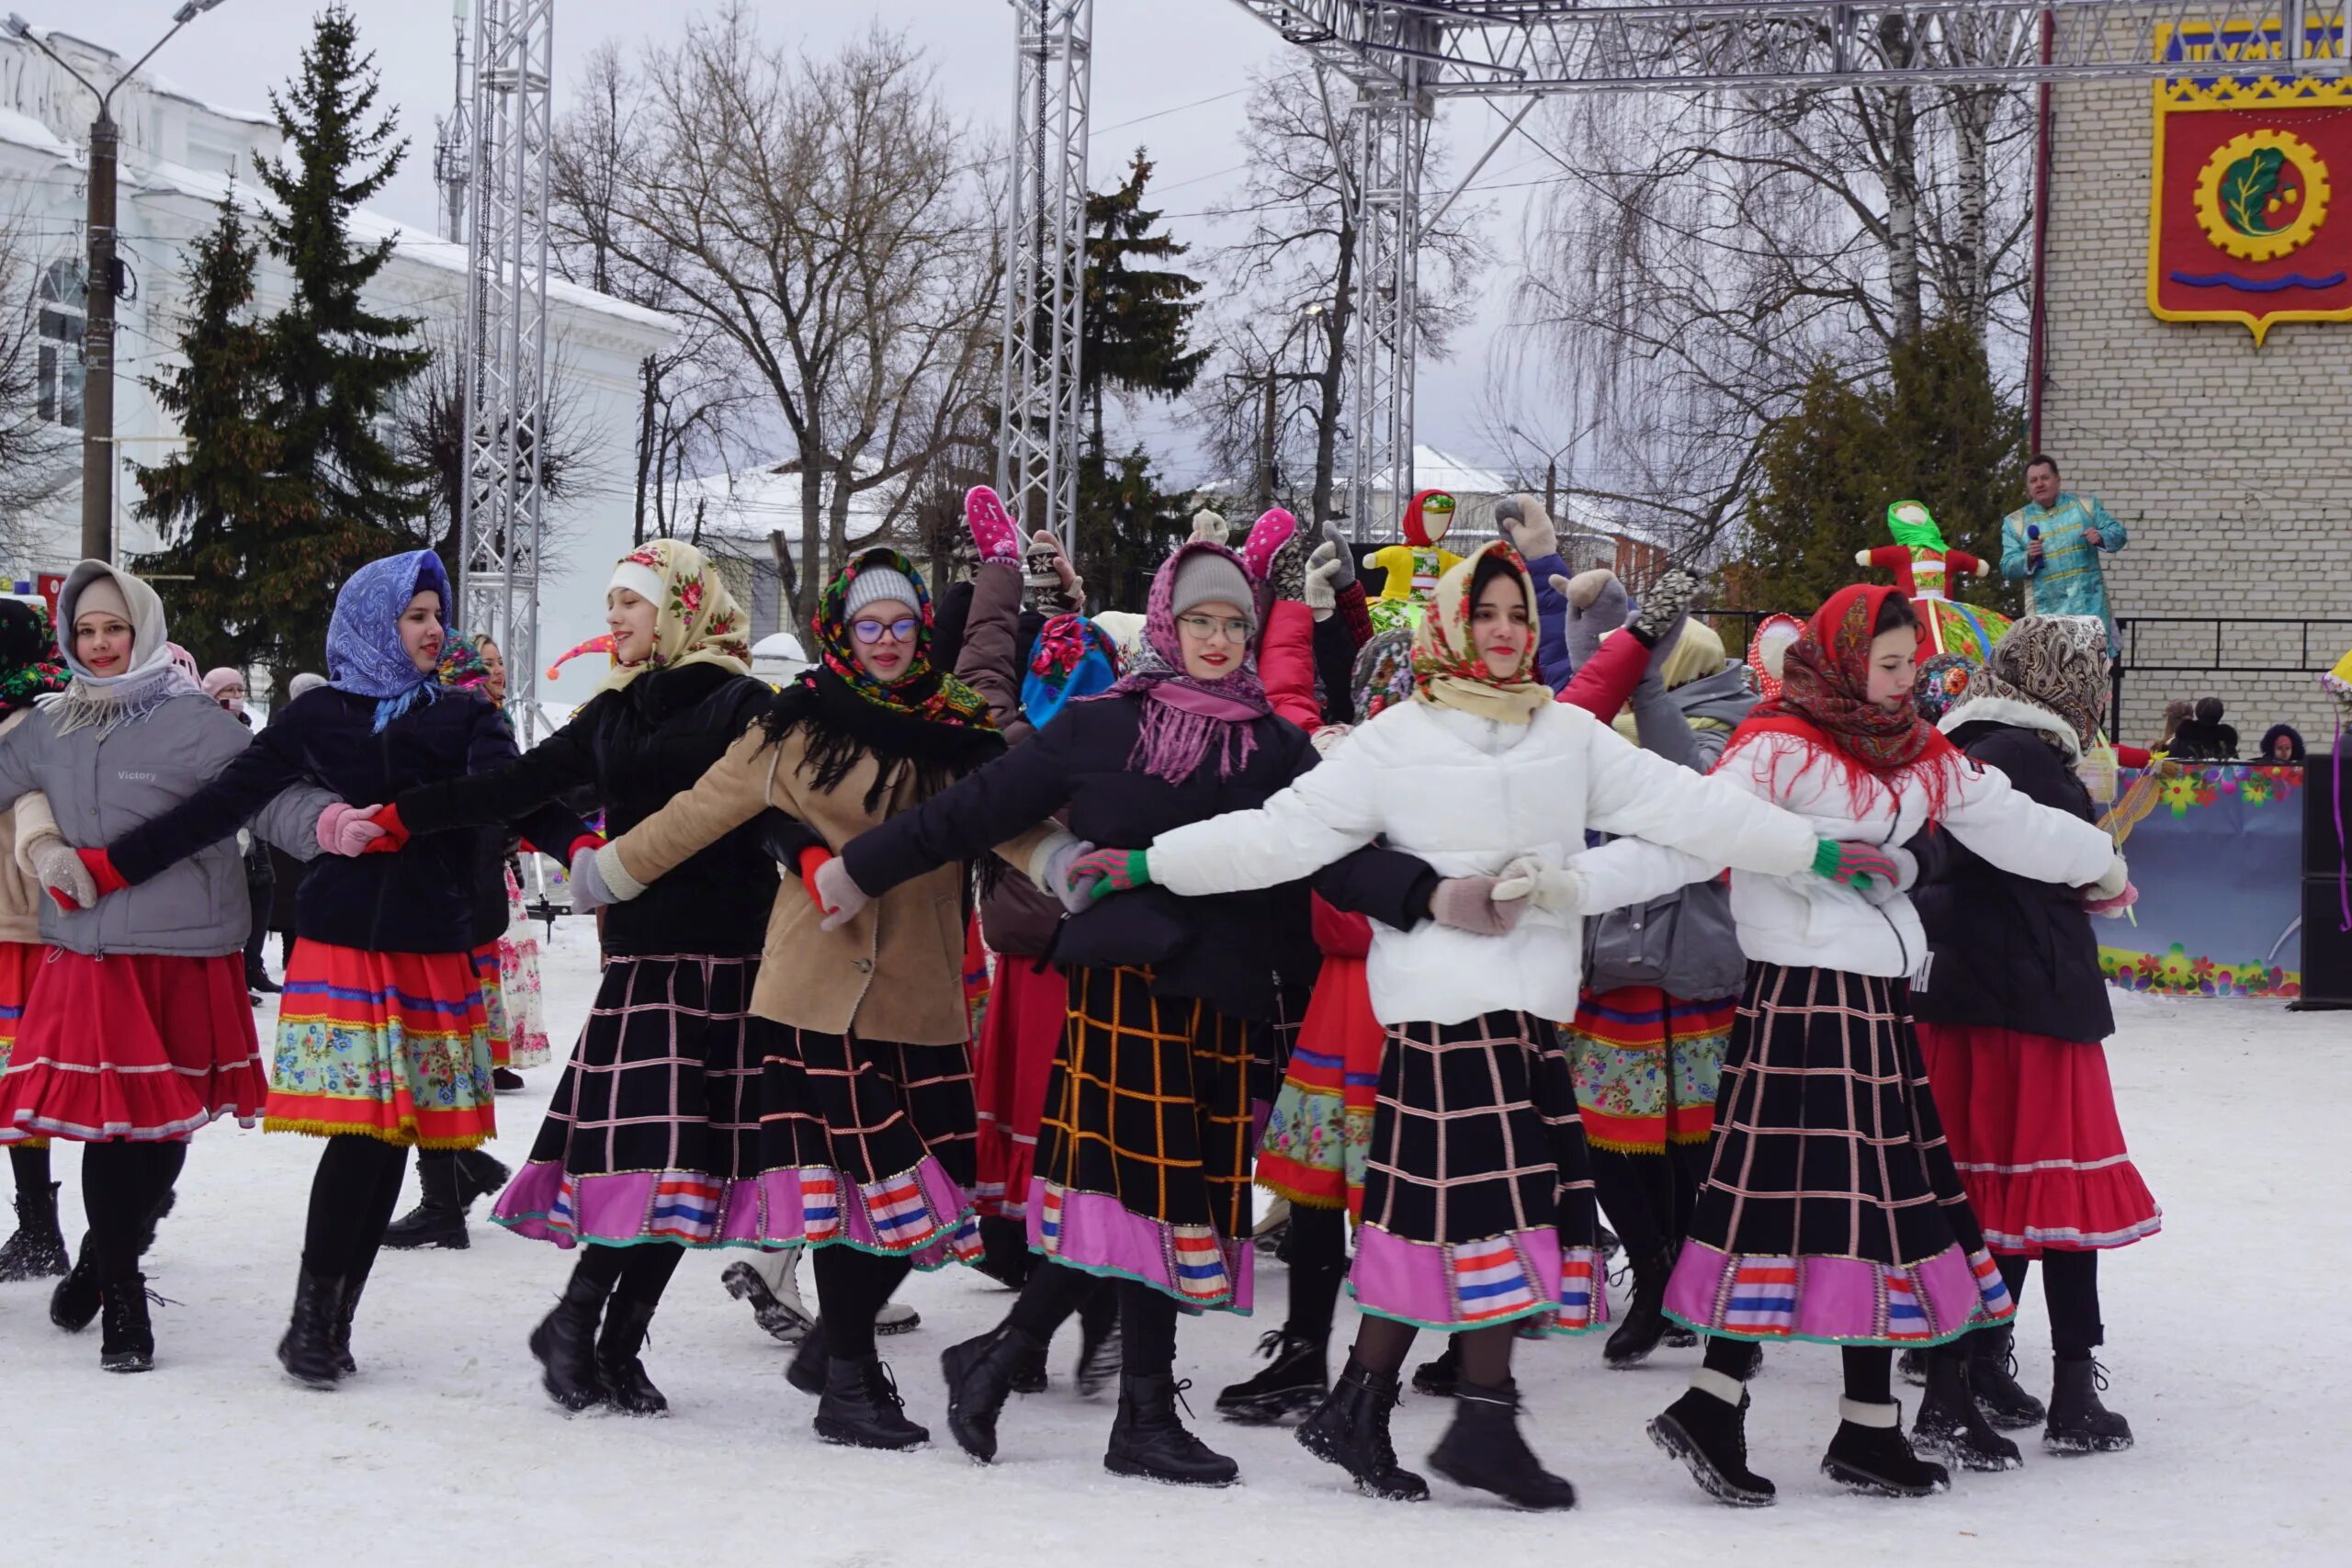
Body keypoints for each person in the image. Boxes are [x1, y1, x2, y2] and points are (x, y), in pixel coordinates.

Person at [1104, 541, 1850, 1508]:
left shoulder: (1566, 737)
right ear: (1453, 624)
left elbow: (1691, 810)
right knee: (1498, 1219)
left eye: (1516, 616)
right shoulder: (1394, 740)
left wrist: (1813, 852)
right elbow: (1275, 837)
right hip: (1442, 1017)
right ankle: (1480, 1423)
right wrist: (1144, 864)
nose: (1503, 633)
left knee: (1450, 1224)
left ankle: (1360, 1408)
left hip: (1528, 1015)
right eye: (1486, 613)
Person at [826, 537, 1438, 1487]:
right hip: (1131, 988)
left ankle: (1035, 1373)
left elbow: (1335, 856)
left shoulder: (1273, 746)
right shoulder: (1101, 724)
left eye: (1234, 622)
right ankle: (1132, 1410)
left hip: (1228, 1000)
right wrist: (859, 869)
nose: (1218, 639)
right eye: (1200, 619)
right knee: (1151, 1201)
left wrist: (1432, 896)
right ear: (1167, 621)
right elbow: (973, 809)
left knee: (1163, 1206)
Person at [1644, 584, 2128, 1506]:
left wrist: (2098, 863)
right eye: (1890, 664)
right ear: (1845, 656)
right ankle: (1716, 1398)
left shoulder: (1917, 755)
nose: (1906, 683)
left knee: (1883, 1212)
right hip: (1799, 1002)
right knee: (1792, 1208)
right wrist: (1806, 854)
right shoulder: (1776, 743)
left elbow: (2012, 824)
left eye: (1912, 665)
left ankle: (1865, 1424)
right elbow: (1696, 830)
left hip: (1872, 1003)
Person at [81, 549, 593, 1388]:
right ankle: (312, 1325)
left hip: (430, 945)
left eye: (438, 614)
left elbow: (519, 794)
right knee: (362, 1136)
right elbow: (222, 802)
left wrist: (580, 846)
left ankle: (328, 1322)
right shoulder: (320, 719)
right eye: (417, 615)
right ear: (373, 623)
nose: (434, 629)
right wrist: (114, 866)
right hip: (345, 945)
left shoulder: (465, 718)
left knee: (392, 1141)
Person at [580, 546, 1010, 1449]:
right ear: (842, 632)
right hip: (814, 992)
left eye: (900, 624)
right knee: (871, 1184)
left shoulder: (961, 728)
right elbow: (700, 812)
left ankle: (836, 1355)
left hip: (923, 992)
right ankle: (848, 1381)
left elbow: (1012, 820)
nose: (886, 641)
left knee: (937, 1182)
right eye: (868, 625)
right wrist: (609, 875)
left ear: (920, 627)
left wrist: (1067, 865)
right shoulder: (798, 723)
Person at [368, 541, 773, 1415]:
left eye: (631, 600)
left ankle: (614, 1343)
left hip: (736, 955)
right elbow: (513, 785)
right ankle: (577, 1319)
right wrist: (407, 815)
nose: (615, 618)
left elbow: (783, 816)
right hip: (648, 959)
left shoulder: (748, 704)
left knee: (693, 1168)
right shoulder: (614, 709)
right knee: (650, 1161)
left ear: (681, 607)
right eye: (612, 602)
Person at [0, 561, 333, 1371]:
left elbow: (271, 798)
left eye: (114, 628)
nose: (101, 644)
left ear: (142, 629)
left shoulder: (196, 724)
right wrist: (41, 839)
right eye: (86, 631)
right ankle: (121, 1295)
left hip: (185, 951)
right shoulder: (51, 725)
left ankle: (99, 1257)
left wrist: (332, 825)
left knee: (167, 1128)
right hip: (92, 952)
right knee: (115, 1130)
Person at [1910, 615, 2159, 1461]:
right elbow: (2053, 855)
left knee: (1991, 1192)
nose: (2096, 690)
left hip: (1971, 995)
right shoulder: (2021, 749)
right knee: (2058, 1198)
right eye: (2092, 671)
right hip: (2030, 1001)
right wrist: (2102, 868)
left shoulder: (1976, 736)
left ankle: (1975, 1362)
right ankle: (2070, 1389)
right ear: (2062, 676)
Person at [0, 600, 72, 1284]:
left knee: (20, 1089)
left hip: (14, 930)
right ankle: (36, 1226)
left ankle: (39, 1227)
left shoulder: (27, 723)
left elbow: (39, 823)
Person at [2002, 455, 2128, 656]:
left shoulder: (2085, 506)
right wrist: (2028, 557)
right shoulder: (2015, 522)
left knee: (2096, 674)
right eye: (2033, 481)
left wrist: (2101, 537)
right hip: (2047, 617)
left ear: (2058, 480)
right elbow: (2007, 566)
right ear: (2027, 487)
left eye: (2045, 478)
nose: (2040, 484)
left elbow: (2119, 535)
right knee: (2055, 678)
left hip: (2090, 610)